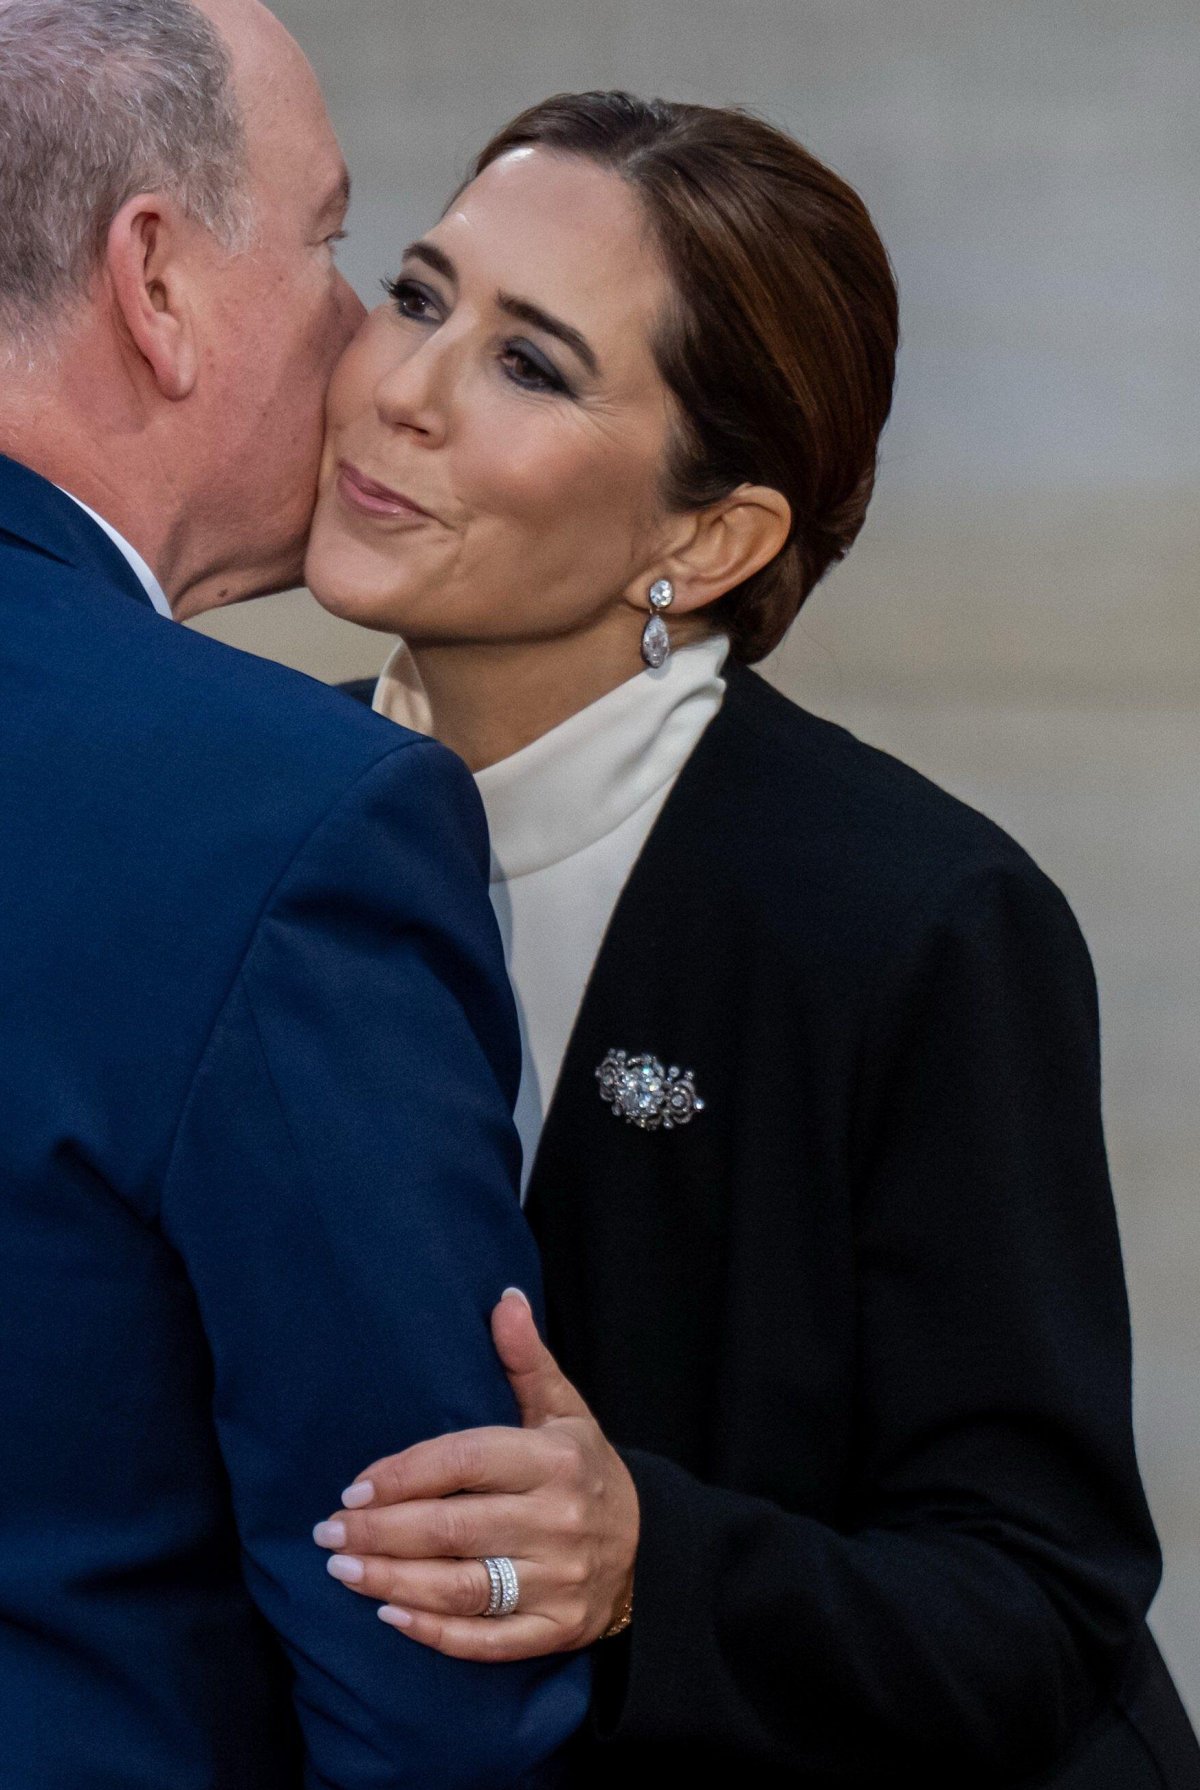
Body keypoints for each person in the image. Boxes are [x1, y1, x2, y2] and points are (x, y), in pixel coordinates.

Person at [310, 92, 1200, 1786]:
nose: (401, 390)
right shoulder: (238, 804)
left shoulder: (922, 924)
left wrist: (653, 1561)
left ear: (709, 538)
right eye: (419, 296)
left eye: (532, 365)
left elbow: (1037, 1596)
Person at [0, 3, 587, 1784]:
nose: (362, 346)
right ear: (155, 281)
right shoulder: (286, 820)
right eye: (338, 243)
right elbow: (431, 1651)